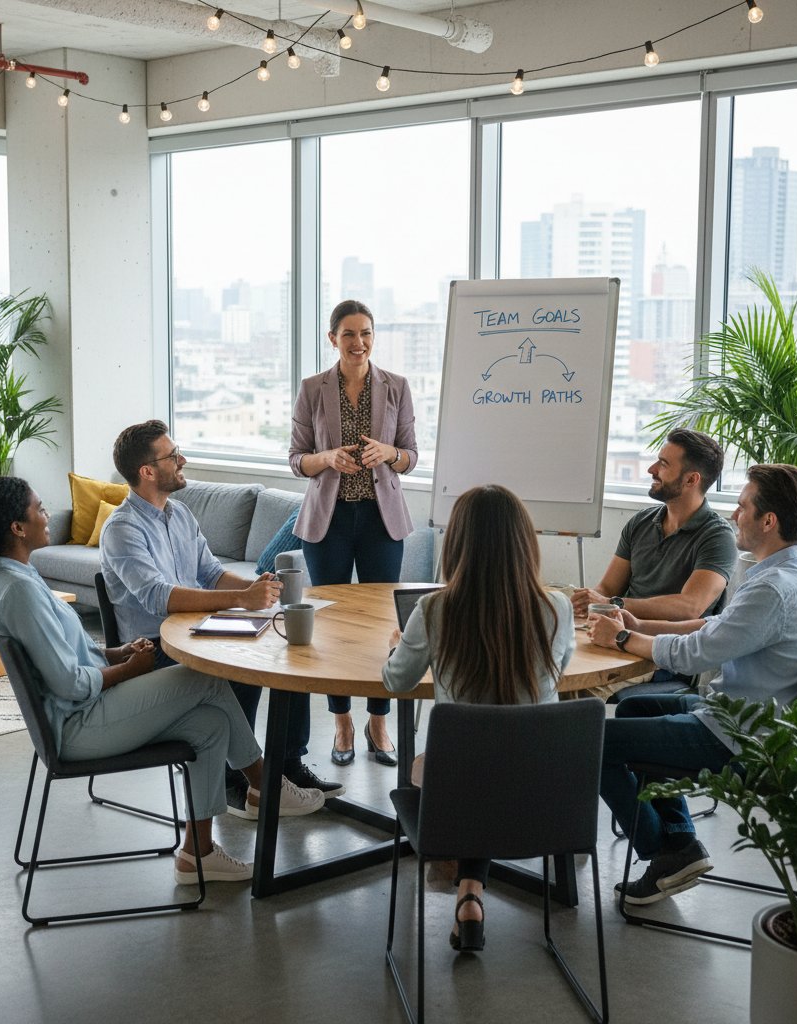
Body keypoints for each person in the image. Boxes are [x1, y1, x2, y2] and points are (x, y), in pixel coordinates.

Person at [0, 476, 324, 886]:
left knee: (211, 726)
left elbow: (64, 654)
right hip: (79, 726)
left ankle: (197, 854)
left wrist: (116, 653)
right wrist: (127, 671)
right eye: (38, 508)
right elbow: (68, 684)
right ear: (17, 528)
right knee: (208, 679)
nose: (46, 514)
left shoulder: (16, 575)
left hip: (86, 711)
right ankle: (264, 785)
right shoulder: (18, 590)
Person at [589, 463, 797, 905]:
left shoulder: (773, 590)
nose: (732, 515)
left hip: (738, 739)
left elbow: (697, 654)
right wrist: (641, 622)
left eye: (742, 507)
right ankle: (682, 838)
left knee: (592, 741)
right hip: (747, 719)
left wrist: (625, 638)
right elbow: (718, 626)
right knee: (635, 707)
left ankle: (664, 851)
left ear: (769, 521)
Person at [99, 419, 344, 816]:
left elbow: (212, 573)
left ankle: (288, 766)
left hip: (198, 632)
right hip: (155, 649)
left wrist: (258, 589)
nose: (182, 460)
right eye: (172, 455)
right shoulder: (123, 530)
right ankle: (239, 780)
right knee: (242, 664)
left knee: (289, 647)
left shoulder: (178, 513)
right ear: (147, 471)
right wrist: (242, 599)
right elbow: (158, 597)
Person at [381, 484, 575, 953]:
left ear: (457, 544)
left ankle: (463, 888)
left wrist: (398, 642)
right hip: (543, 798)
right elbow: (557, 673)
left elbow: (395, 682)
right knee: (496, 759)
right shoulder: (559, 608)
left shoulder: (433, 609)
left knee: (430, 767)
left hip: (459, 799)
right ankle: (471, 892)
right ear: (524, 543)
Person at [290, 299, 418, 770]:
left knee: (387, 624)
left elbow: (411, 455)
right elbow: (296, 458)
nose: (358, 342)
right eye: (349, 334)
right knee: (333, 627)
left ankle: (378, 721)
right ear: (332, 339)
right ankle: (342, 721)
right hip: (330, 520)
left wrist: (389, 452)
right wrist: (326, 458)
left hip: (382, 521)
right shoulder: (311, 389)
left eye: (366, 333)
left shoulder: (397, 387)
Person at [572, 428, 738, 700]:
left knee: (575, 693)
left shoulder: (718, 537)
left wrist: (616, 603)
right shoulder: (640, 522)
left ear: (691, 479)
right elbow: (607, 587)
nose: (651, 469)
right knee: (540, 674)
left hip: (660, 653)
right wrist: (587, 603)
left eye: (663, 464)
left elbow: (690, 607)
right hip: (617, 637)